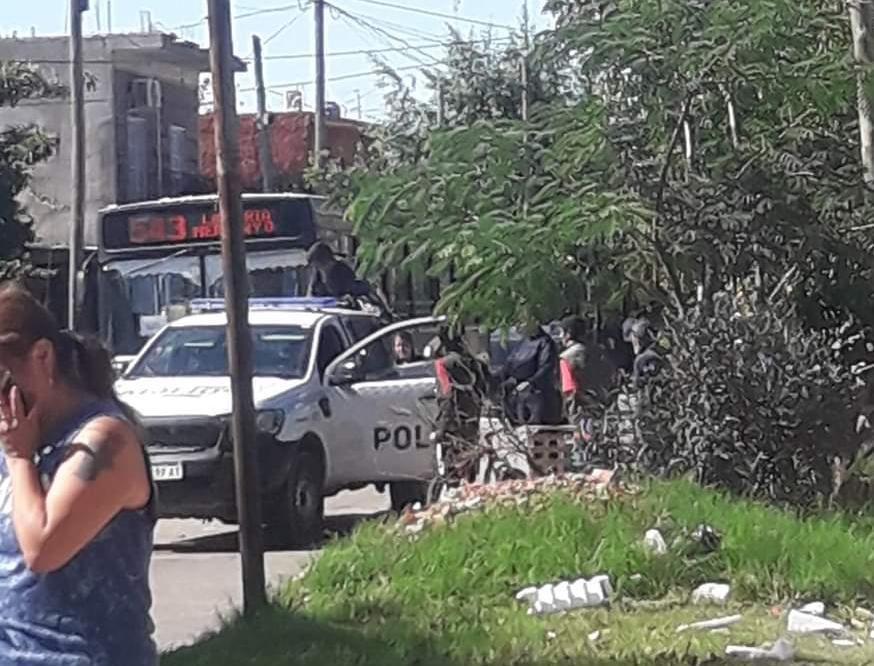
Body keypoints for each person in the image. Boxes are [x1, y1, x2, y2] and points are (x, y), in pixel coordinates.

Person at [0, 283, 156, 665]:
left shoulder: (104, 440)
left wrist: (19, 459)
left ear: (42, 356)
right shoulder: (20, 437)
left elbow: (43, 548)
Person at [432, 328, 490, 484]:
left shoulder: (442, 364)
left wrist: (442, 427)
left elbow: (446, 395)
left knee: (451, 471)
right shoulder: (474, 361)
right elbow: (483, 389)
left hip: (454, 422)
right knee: (470, 467)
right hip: (473, 418)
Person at [501, 321, 563, 426]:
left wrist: (530, 382)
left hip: (537, 394)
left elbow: (546, 367)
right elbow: (509, 364)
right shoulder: (522, 344)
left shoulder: (545, 343)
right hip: (516, 394)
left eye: (521, 323)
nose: (517, 327)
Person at [306, 242, 371, 300]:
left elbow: (350, 293)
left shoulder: (343, 271)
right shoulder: (317, 273)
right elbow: (310, 294)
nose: (317, 268)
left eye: (318, 265)